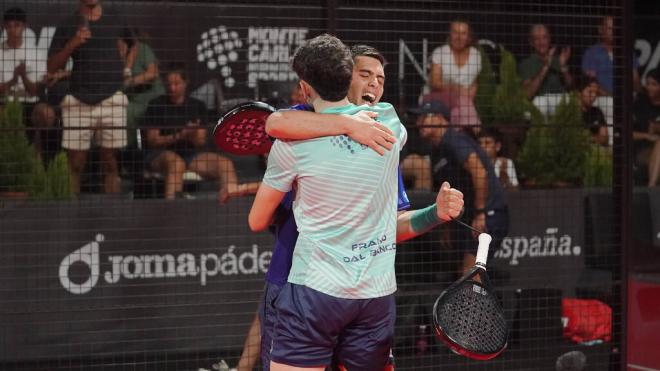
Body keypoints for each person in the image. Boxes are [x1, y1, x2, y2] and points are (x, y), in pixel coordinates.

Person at [234, 44, 463, 371]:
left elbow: (388, 227)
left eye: (380, 78)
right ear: (344, 76)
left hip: (342, 293)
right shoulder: (384, 127)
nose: (374, 83)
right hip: (294, 281)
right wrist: (348, 124)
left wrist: (434, 214)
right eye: (365, 74)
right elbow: (279, 123)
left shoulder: (381, 138)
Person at [401, 100, 508, 273]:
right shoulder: (436, 150)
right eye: (418, 118)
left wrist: (481, 213)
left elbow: (479, 172)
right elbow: (447, 191)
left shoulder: (454, 139)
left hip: (488, 214)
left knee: (469, 274)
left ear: (441, 119)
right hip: (468, 217)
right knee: (463, 274)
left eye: (424, 117)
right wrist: (446, 224)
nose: (419, 122)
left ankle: (482, 299)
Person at [141, 65, 258, 202]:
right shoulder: (157, 105)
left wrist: (193, 133)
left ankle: (229, 209)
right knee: (176, 163)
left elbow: (200, 141)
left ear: (185, 83)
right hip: (160, 155)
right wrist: (180, 135)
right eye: (169, 84)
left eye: (177, 84)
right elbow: (153, 141)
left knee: (225, 164)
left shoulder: (197, 106)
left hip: (190, 155)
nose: (172, 88)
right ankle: (172, 210)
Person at [48, 0, 128, 194]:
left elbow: (131, 44)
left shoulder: (115, 17)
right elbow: (51, 67)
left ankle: (112, 217)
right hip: (79, 99)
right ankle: (70, 215)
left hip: (111, 98)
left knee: (110, 162)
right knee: (75, 164)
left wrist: (124, 68)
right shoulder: (68, 24)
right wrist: (72, 44)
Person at [0, 7, 59, 162]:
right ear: (4, 27)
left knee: (47, 113)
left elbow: (35, 91)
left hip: (30, 104)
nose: (13, 30)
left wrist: (23, 76)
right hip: (5, 103)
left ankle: (40, 160)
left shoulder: (35, 53)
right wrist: (13, 80)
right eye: (9, 26)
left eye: (17, 25)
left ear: (24, 26)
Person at [427, 19, 482, 132]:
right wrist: (457, 89)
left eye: (463, 33)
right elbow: (435, 82)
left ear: (469, 36)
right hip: (438, 97)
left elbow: (475, 83)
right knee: (462, 103)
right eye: (455, 32)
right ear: (450, 34)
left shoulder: (476, 55)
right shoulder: (440, 52)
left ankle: (458, 136)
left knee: (461, 107)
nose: (459, 37)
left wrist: (466, 97)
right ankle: (473, 132)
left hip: (465, 103)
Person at [118, 27, 165, 149]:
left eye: (119, 41)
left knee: (126, 113)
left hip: (151, 99)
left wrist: (131, 81)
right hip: (133, 100)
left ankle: (128, 152)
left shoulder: (142, 49)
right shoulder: (117, 59)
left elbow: (152, 73)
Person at [519, 24, 573, 117]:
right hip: (539, 103)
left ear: (549, 39)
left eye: (544, 38)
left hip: (559, 101)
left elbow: (571, 86)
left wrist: (563, 66)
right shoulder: (526, 63)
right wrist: (546, 65)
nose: (541, 42)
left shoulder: (558, 59)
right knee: (541, 103)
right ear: (531, 42)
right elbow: (527, 94)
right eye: (537, 39)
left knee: (570, 101)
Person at [632, 68, 660, 186]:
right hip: (643, 149)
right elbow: (627, 133)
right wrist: (647, 136)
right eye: (648, 84)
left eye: (654, 84)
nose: (649, 87)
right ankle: (651, 188)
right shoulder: (640, 104)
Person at [577, 76, 609, 147]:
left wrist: (588, 139)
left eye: (596, 93)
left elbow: (605, 138)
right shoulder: (571, 112)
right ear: (579, 92)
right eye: (590, 92)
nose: (594, 96)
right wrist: (596, 137)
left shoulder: (597, 112)